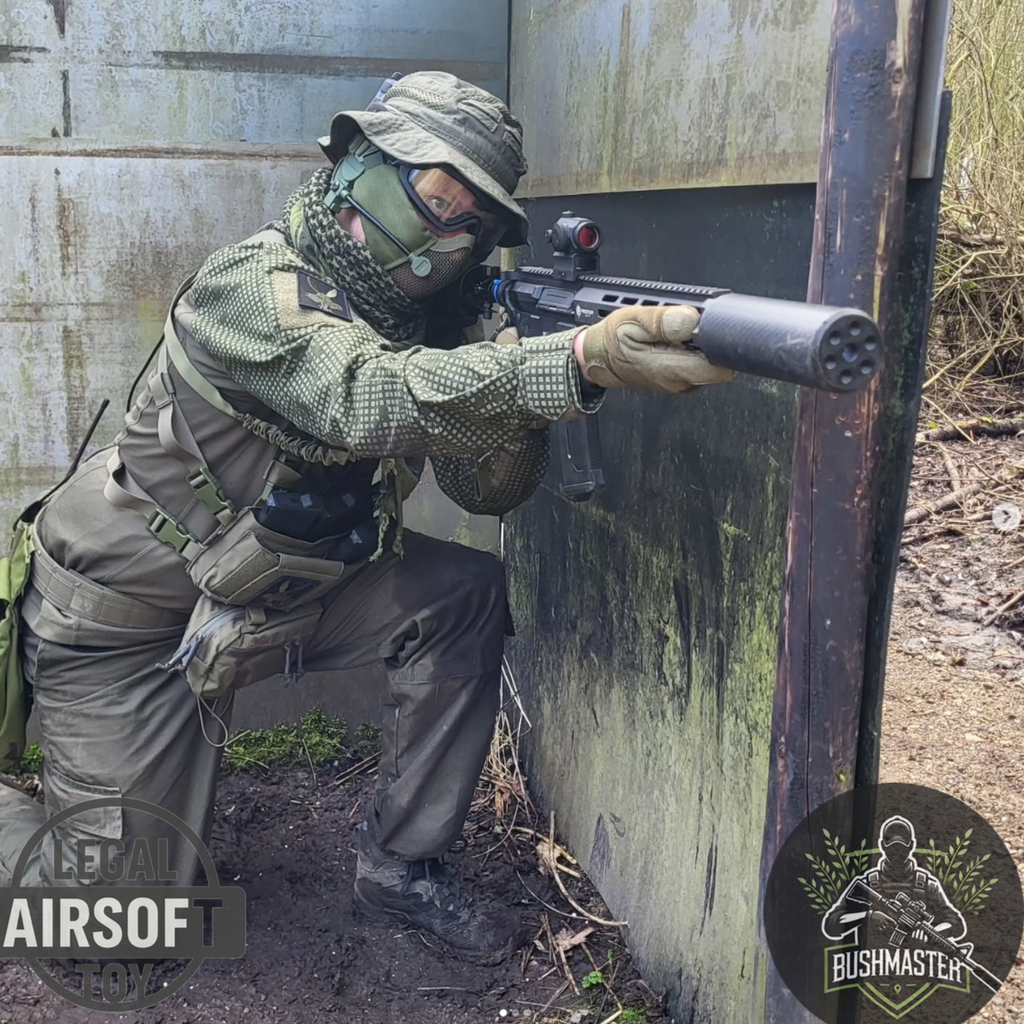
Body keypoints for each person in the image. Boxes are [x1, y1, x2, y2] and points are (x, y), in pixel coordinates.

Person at [0, 71, 732, 964]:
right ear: (354, 165)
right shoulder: (251, 283)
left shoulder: (425, 322)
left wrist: (512, 373)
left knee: (460, 595)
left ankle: (399, 863)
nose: (444, 239)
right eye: (433, 197)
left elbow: (486, 493)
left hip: (274, 595)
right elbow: (359, 397)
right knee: (122, 933)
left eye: (474, 225)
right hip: (124, 627)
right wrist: (569, 362)